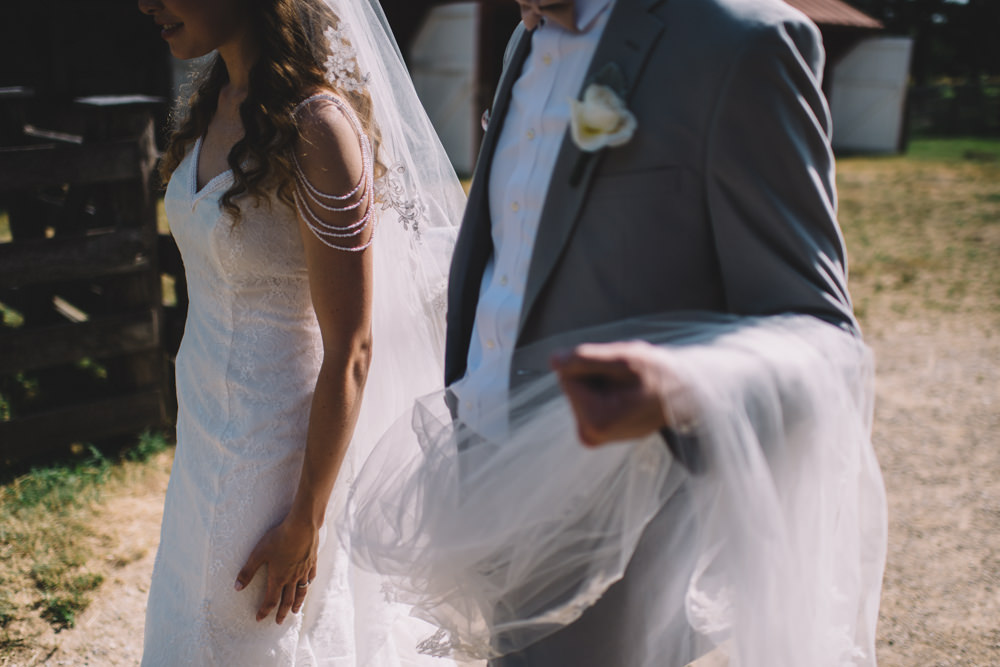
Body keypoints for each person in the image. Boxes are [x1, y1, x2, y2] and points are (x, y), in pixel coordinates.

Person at [347, 0, 888, 665]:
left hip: (627, 527)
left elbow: (822, 331)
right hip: (484, 478)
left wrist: (685, 382)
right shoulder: (524, 39)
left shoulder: (742, 45)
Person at [136, 0, 466, 664]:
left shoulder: (318, 126)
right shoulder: (214, 102)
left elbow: (352, 346)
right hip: (204, 439)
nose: (147, 5)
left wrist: (305, 520)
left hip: (276, 458)